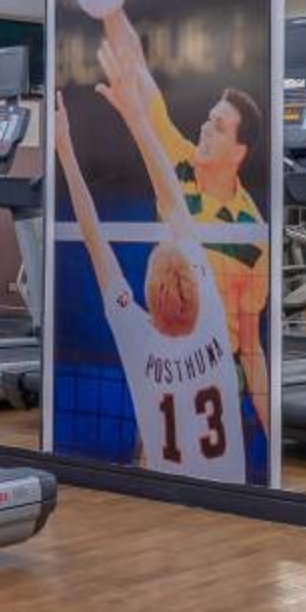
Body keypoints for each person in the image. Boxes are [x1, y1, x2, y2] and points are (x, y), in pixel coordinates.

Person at [89, 5, 272, 424]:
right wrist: (110, 5)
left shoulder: (252, 234)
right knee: (152, 446)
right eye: (209, 119)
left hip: (216, 371)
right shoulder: (177, 160)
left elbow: (251, 346)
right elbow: (136, 65)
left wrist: (270, 429)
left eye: (219, 127)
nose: (205, 128)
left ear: (239, 152)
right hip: (165, 354)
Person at [53, 89, 244, 479]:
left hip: (165, 496)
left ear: (148, 297)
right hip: (230, 493)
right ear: (197, 288)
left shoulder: (137, 337)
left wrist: (64, 150)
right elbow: (173, 202)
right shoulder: (212, 323)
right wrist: (138, 120)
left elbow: (93, 237)